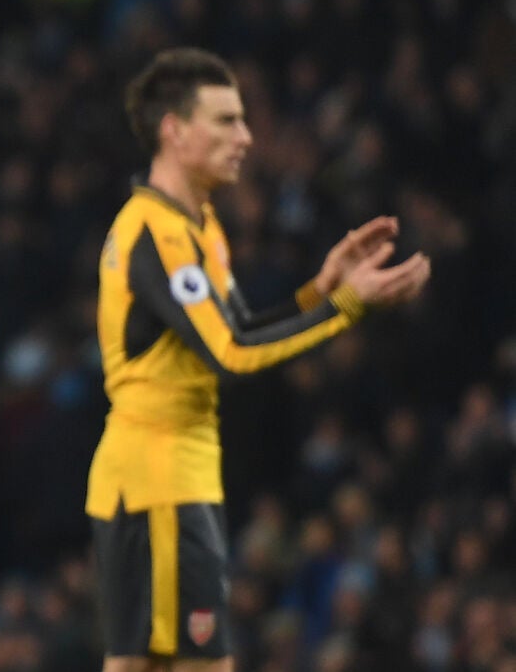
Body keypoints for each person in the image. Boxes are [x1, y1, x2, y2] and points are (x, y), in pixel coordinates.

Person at [87, 47, 430, 672]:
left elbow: (235, 326)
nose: (246, 137)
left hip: (169, 477)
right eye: (226, 121)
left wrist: (320, 290)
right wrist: (347, 307)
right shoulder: (156, 232)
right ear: (174, 129)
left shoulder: (198, 226)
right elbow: (234, 354)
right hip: (155, 481)